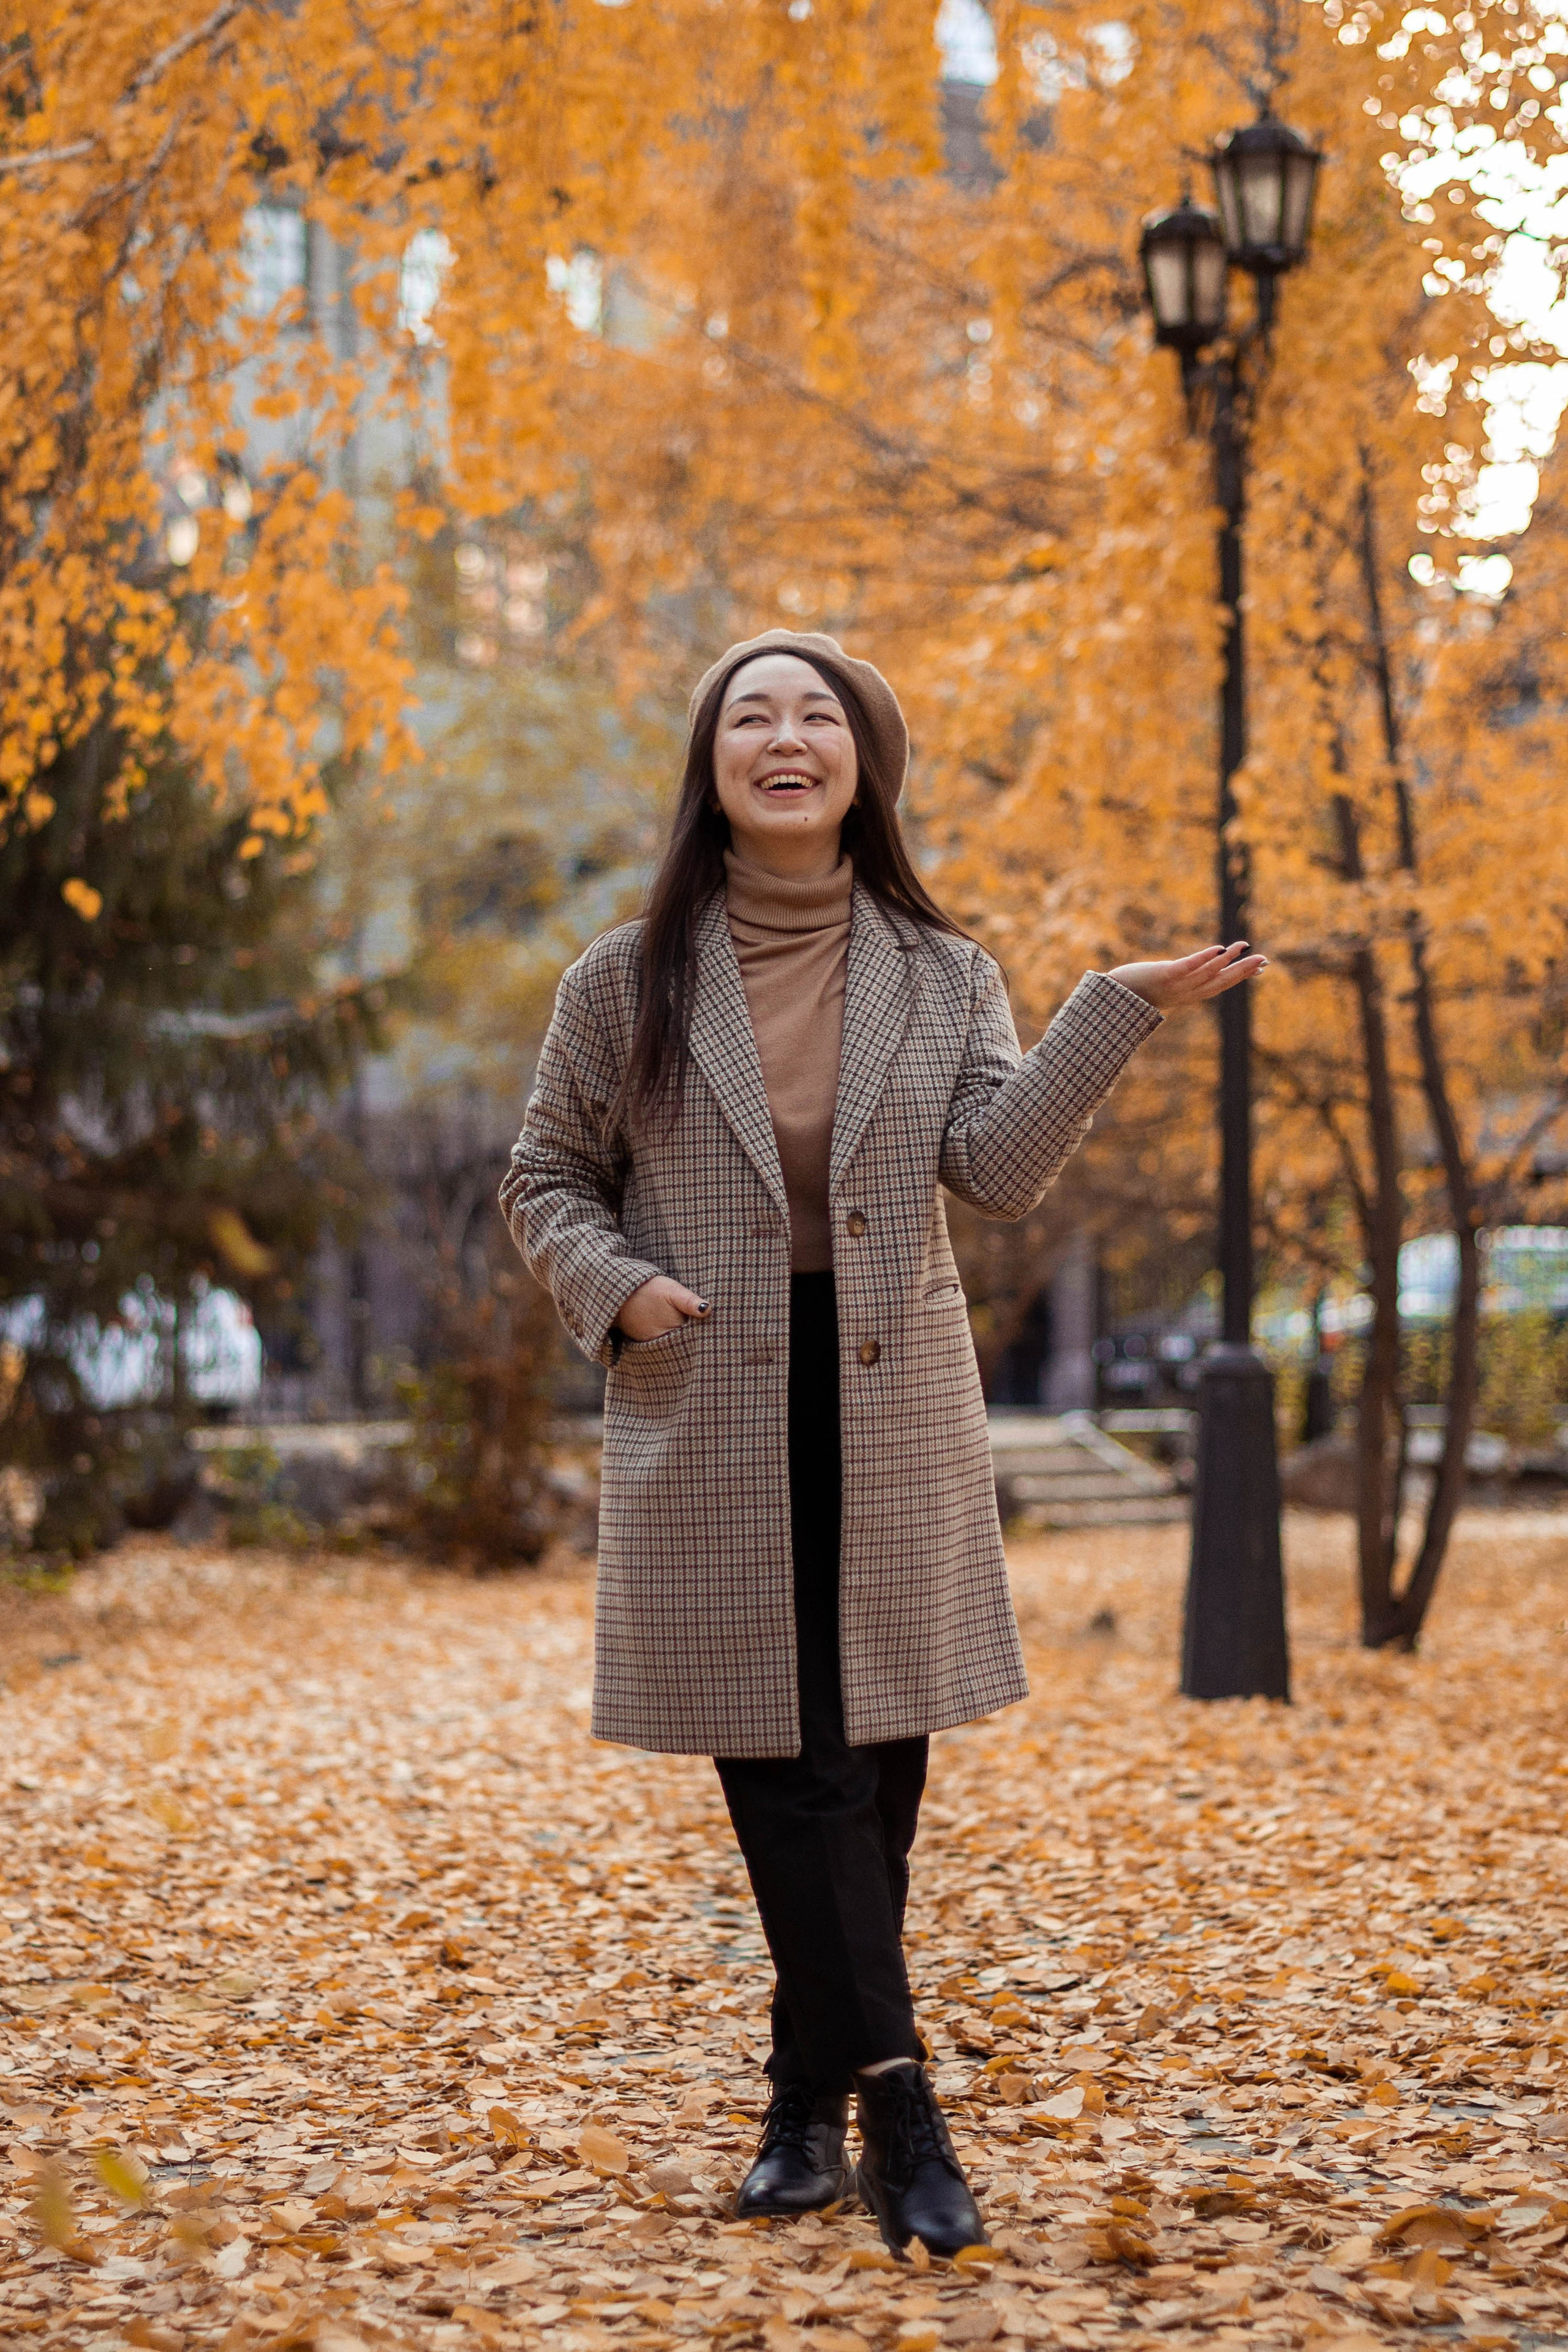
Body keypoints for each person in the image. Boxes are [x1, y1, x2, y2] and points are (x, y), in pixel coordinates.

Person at [501, 629, 1265, 2258]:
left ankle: (800, 2116)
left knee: (874, 1786)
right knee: (798, 1784)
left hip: (890, 1410)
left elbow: (994, 1168)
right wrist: (617, 1287)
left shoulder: (943, 972)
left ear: (864, 762)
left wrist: (1112, 1010)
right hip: (710, 1407)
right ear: (712, 763)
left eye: (817, 715)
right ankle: (905, 2118)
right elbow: (545, 1176)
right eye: (751, 716)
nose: (786, 738)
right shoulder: (622, 980)